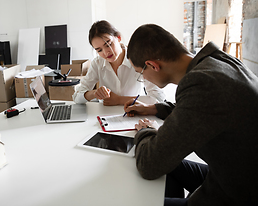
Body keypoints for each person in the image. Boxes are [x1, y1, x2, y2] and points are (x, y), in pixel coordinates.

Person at [124, 24, 258, 206]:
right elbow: (201, 111)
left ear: (152, 65)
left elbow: (150, 164)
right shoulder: (216, 63)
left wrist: (145, 131)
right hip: (231, 175)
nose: (144, 78)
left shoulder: (203, 84)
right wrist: (155, 108)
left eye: (140, 73)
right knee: (170, 167)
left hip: (238, 194)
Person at [72, 20, 165, 106]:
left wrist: (119, 100)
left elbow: (158, 98)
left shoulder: (137, 58)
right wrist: (94, 93)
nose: (105, 53)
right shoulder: (97, 63)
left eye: (108, 44)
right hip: (105, 116)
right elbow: (76, 97)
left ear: (118, 38)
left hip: (134, 113)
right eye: (99, 50)